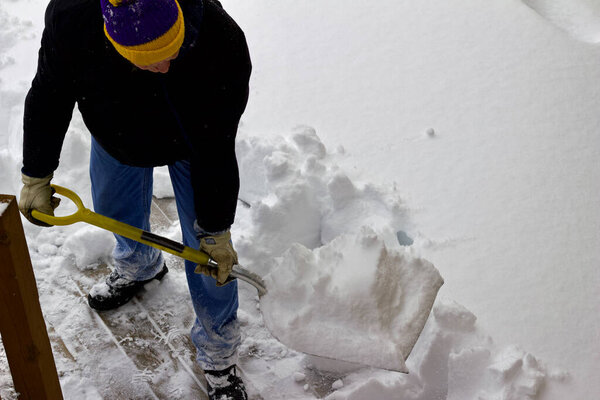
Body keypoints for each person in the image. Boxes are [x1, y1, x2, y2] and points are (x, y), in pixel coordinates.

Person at [18, 0, 251, 398]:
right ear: (113, 39)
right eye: (150, 59)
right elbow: (50, 90)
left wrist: (216, 229)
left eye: (171, 51)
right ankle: (139, 264)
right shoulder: (72, 17)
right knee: (113, 210)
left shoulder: (221, 41)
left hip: (195, 141)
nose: (164, 66)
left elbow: (216, 148)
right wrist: (36, 173)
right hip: (117, 133)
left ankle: (218, 348)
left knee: (208, 256)